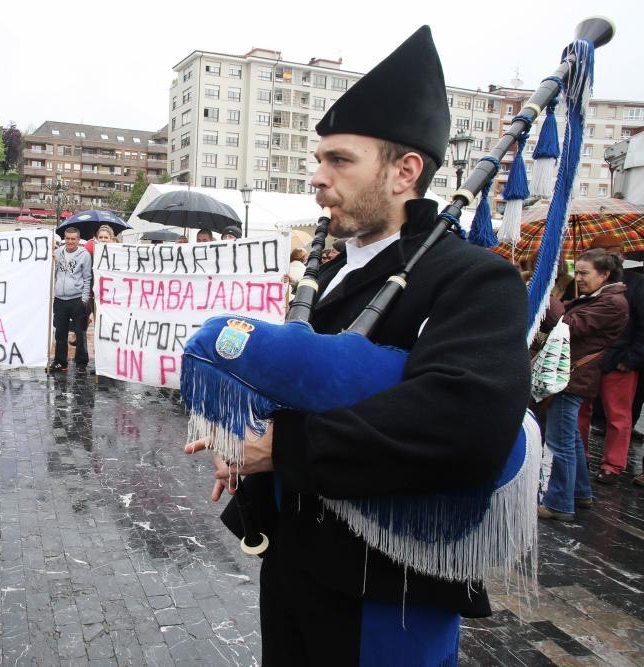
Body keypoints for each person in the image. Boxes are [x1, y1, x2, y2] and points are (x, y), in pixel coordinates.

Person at [185, 26, 531, 664]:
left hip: (387, 592)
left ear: (405, 171)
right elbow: (301, 388)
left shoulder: (474, 278)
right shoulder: (329, 272)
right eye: (318, 159)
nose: (317, 176)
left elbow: (464, 426)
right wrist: (246, 445)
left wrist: (284, 449)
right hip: (295, 567)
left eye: (339, 160)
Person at [540, 249, 628, 520]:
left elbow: (568, 324)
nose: (578, 277)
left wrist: (550, 295)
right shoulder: (602, 297)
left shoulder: (612, 302)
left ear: (604, 274)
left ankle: (559, 503)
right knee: (571, 439)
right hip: (572, 375)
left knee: (560, 442)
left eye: (584, 273)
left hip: (573, 377)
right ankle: (579, 492)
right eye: (576, 272)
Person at [580, 234, 644, 484]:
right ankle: (580, 455)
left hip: (620, 363)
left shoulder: (636, 284)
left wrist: (630, 359)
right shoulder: (590, 285)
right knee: (582, 411)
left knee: (618, 416)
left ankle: (613, 464)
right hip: (590, 361)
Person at [50, 227, 91, 373]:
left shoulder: (84, 255)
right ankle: (60, 362)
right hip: (60, 299)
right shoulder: (58, 252)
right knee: (60, 333)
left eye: (73, 239)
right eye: (67, 238)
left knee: (80, 333)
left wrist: (84, 299)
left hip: (77, 299)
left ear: (78, 240)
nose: (70, 241)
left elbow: (87, 278)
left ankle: (81, 363)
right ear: (64, 239)